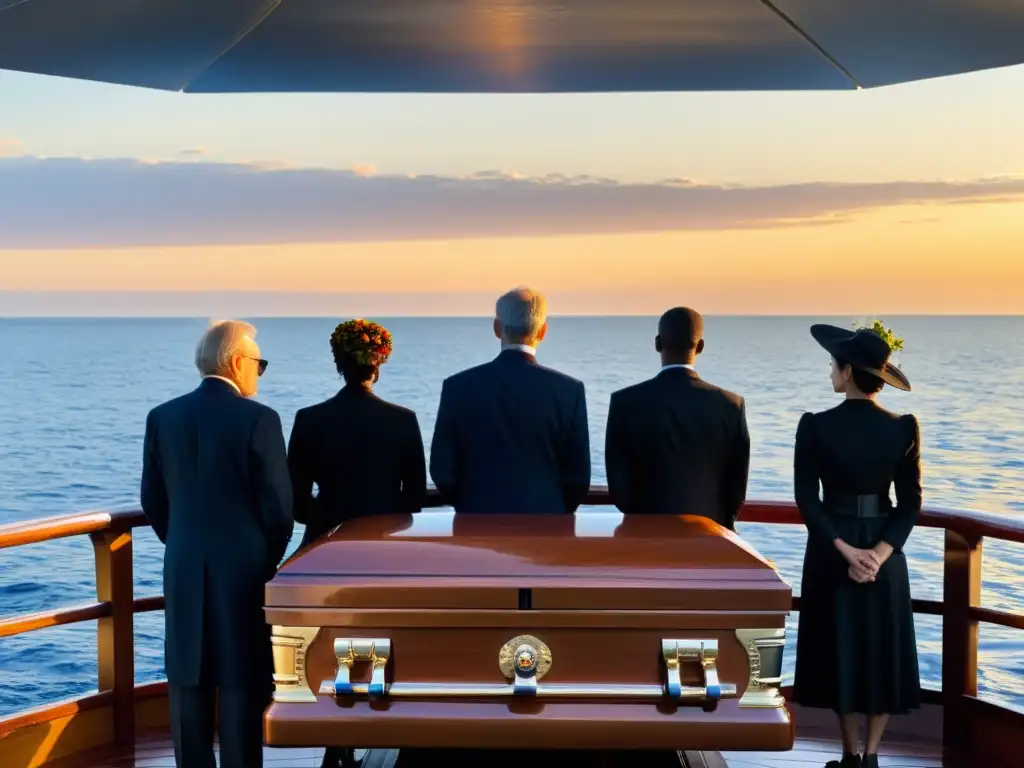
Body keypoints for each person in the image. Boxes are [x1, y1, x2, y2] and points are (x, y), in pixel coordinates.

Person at [140, 319, 293, 768]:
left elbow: (152, 498)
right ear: (236, 362)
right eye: (258, 363)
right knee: (243, 678)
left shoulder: (163, 416)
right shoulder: (260, 419)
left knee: (188, 676)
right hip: (245, 567)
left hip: (183, 562)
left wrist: (184, 542)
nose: (259, 373)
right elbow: (280, 509)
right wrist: (262, 557)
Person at [791, 323, 922, 768]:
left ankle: (849, 755)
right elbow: (911, 503)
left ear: (847, 373)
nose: (830, 371)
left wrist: (845, 551)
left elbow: (807, 500)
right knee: (882, 651)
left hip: (834, 547)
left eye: (833, 365)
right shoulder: (903, 427)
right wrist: (881, 554)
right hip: (884, 550)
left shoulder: (814, 426)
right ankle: (871, 756)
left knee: (841, 650)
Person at [430, 286, 590, 514]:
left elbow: (442, 471)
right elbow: (578, 478)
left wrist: (470, 505)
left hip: (476, 526)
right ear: (543, 331)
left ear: (497, 327)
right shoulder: (569, 391)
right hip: (547, 528)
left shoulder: (458, 387)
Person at [604, 307, 749, 528]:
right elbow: (736, 488)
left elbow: (619, 488)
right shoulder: (731, 405)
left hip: (644, 537)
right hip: (709, 536)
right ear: (700, 347)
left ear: (657, 343)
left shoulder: (625, 403)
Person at [288, 318, 426, 548]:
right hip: (384, 541)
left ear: (339, 365)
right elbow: (415, 497)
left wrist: (329, 520)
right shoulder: (403, 419)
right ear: (377, 367)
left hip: (325, 540)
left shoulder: (309, 419)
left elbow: (297, 502)